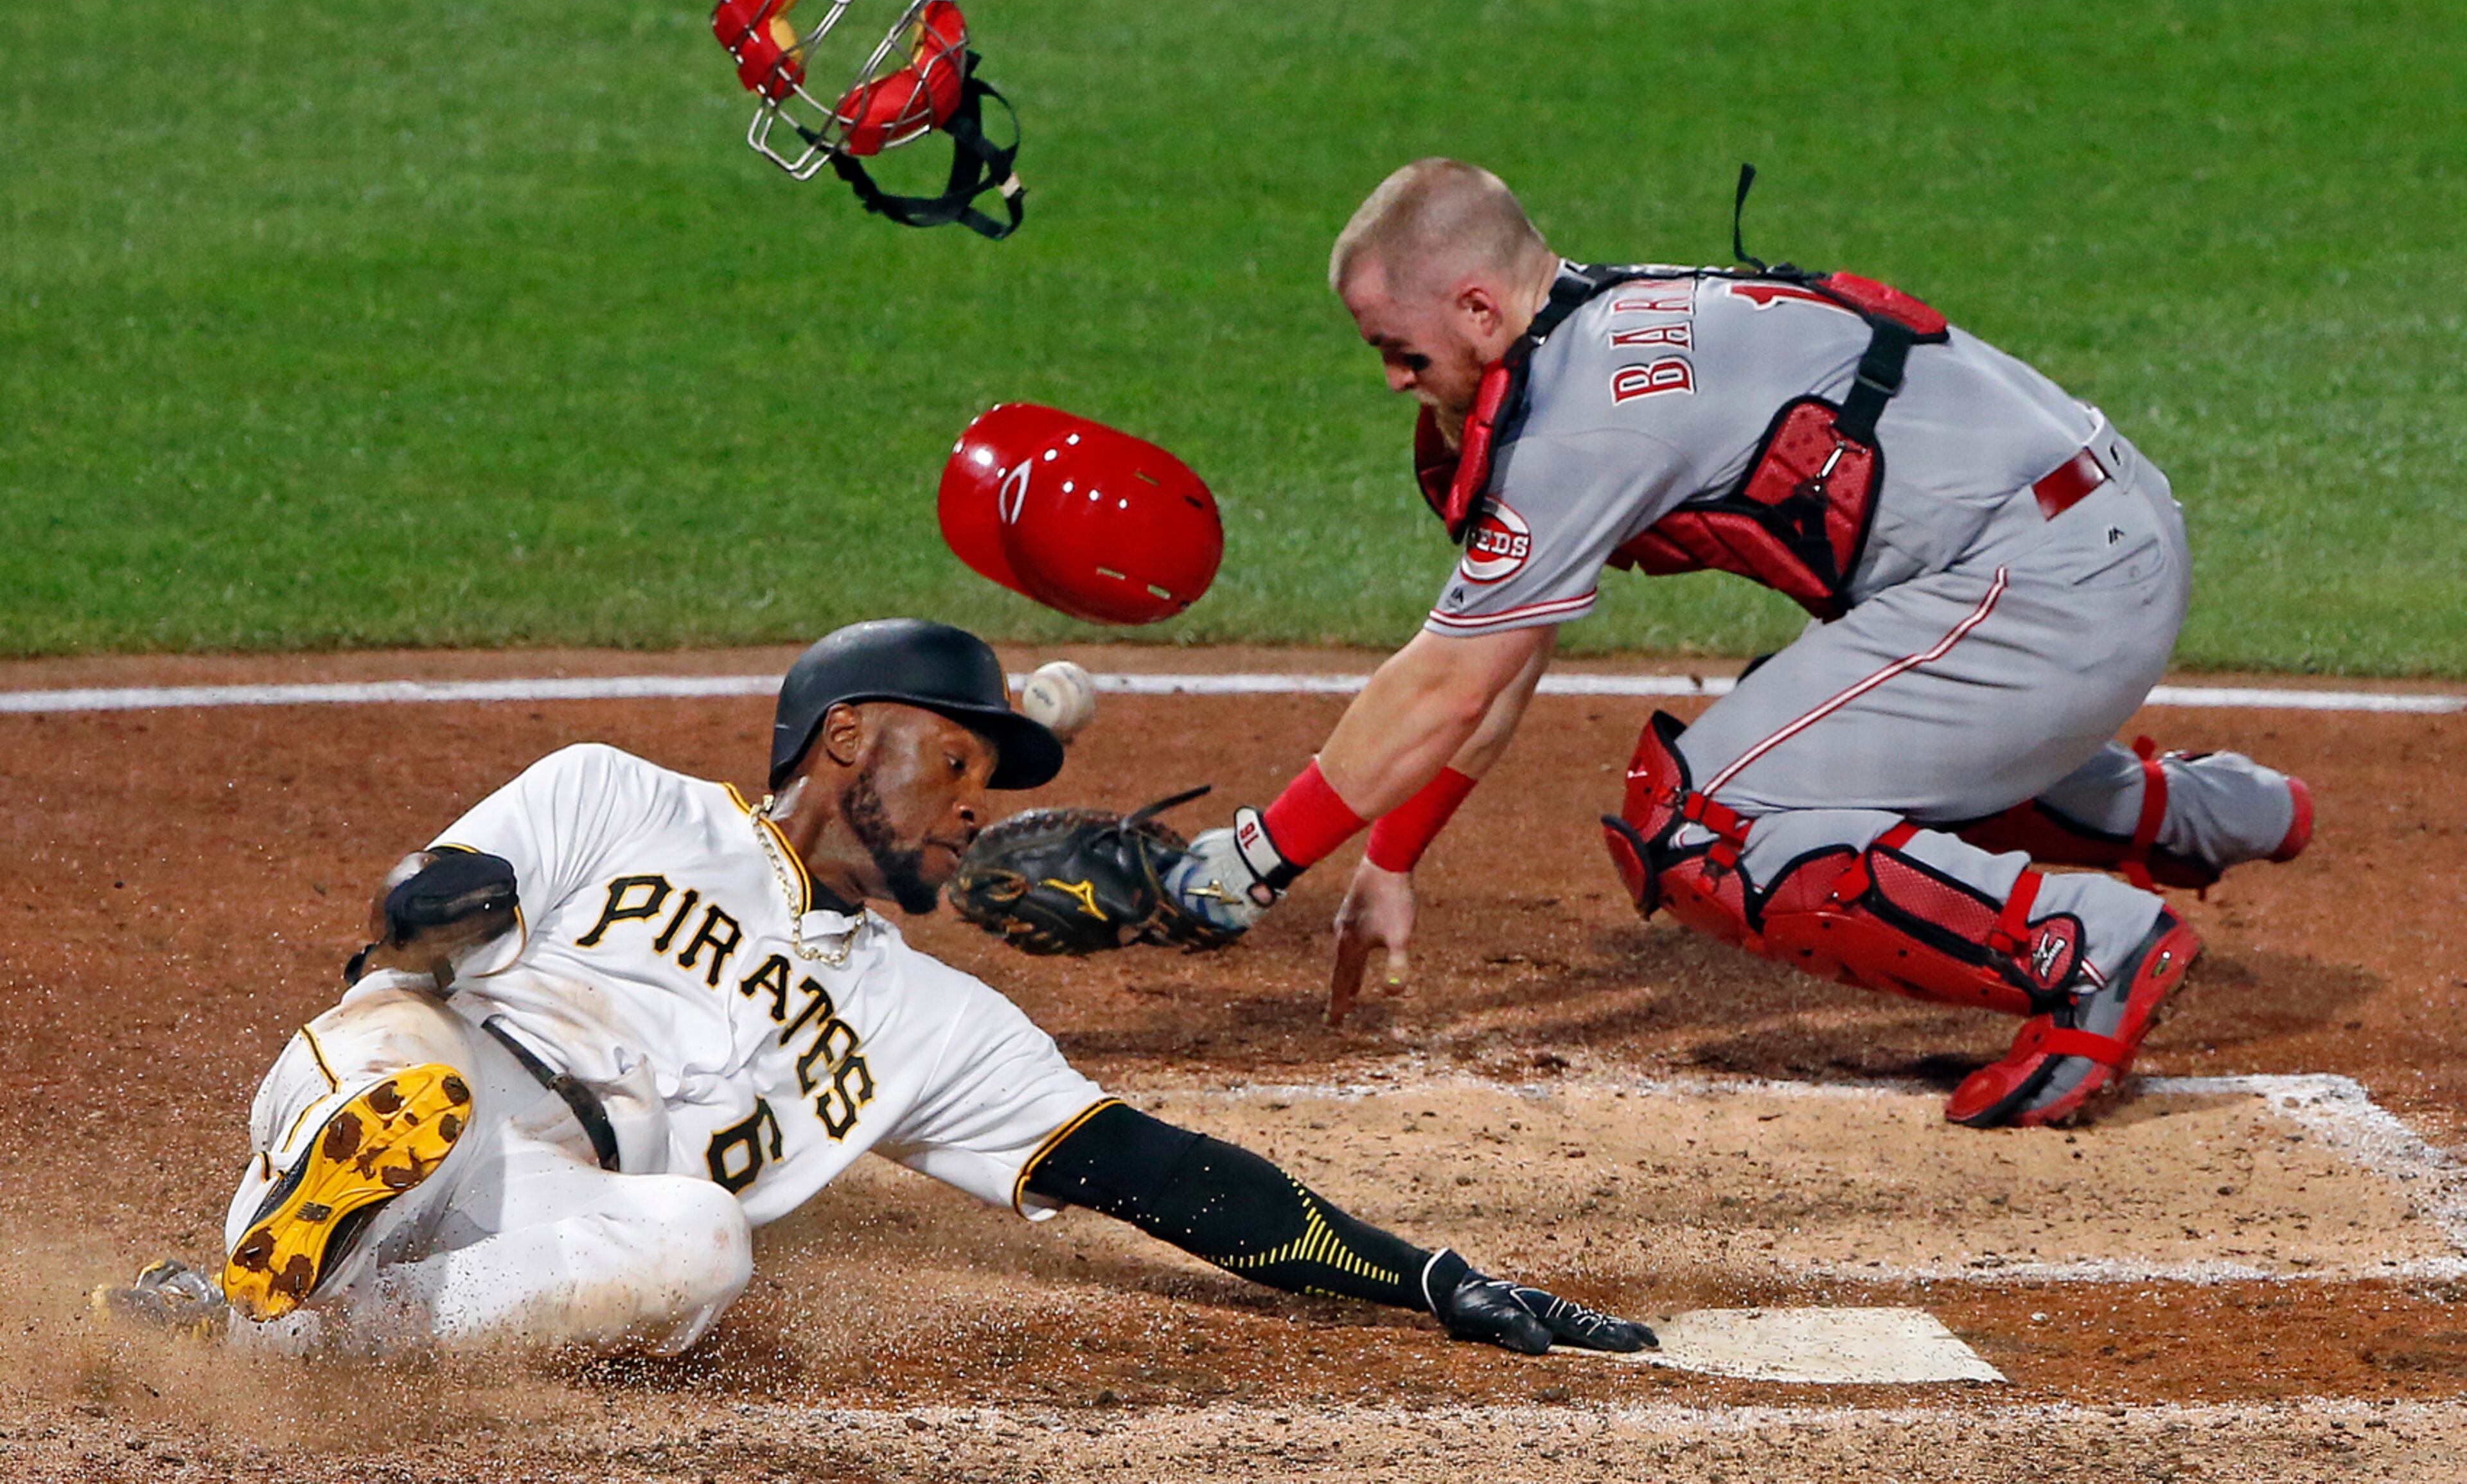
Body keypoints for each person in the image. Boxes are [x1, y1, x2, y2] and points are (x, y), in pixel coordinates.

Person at [94, 619, 1649, 1359]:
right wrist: (453, 909)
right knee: (401, 1055)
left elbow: (1154, 1173)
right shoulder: (616, 796)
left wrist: (1429, 1277)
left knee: (699, 1248)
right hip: (433, 1069)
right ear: (847, 742)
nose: (977, 807)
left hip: (566, 1204)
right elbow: (415, 918)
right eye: (960, 761)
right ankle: (299, 1251)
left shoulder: (929, 1021)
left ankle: (259, 1334)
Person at [1164, 159, 2310, 1129]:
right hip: (2078, 546)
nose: (1395, 381)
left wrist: (1255, 858)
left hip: (2052, 593)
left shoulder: (1585, 415)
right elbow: (1504, 657)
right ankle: (2197, 811)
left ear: (1475, 307)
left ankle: (2088, 946)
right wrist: (1393, 855)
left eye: (1401, 350)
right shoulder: (1589, 326)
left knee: (1706, 818)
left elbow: (1452, 679)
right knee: (1810, 743)